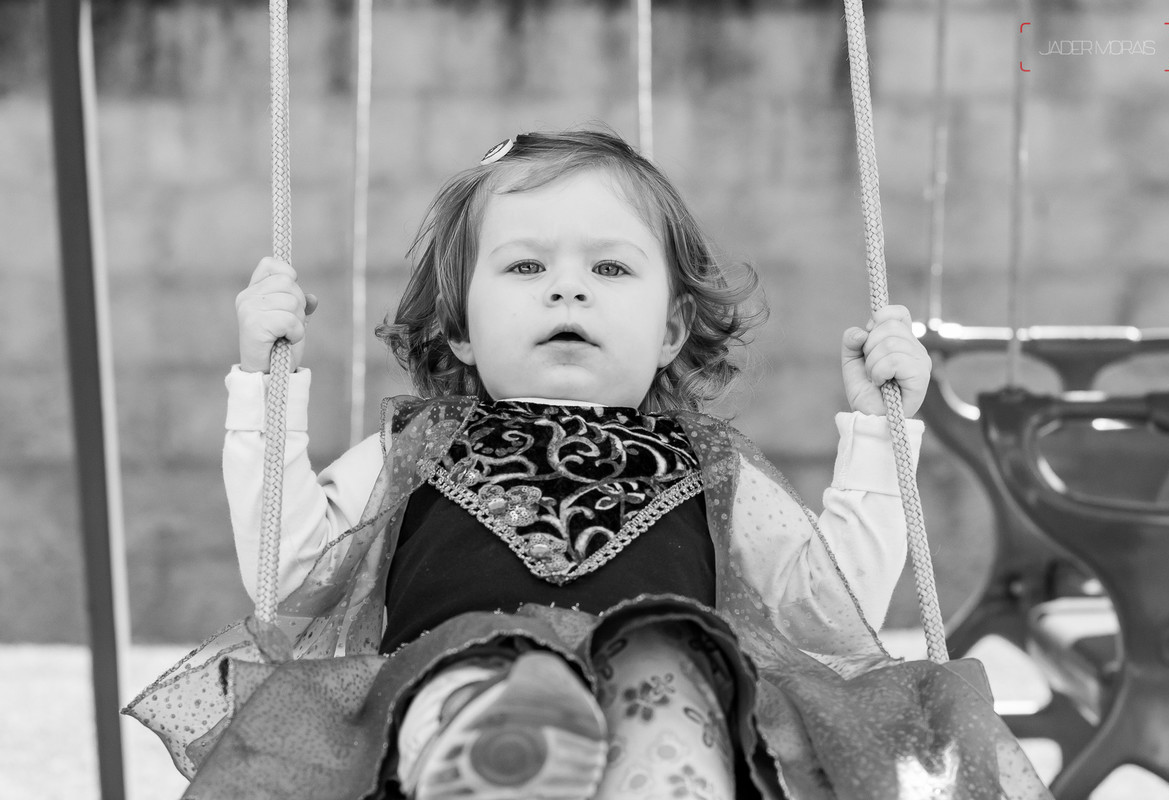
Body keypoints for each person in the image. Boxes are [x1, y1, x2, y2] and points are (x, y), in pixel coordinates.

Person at [125, 130, 1051, 800]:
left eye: (610, 270)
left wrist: (879, 433)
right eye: (526, 268)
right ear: (460, 326)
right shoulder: (414, 449)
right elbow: (292, 569)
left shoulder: (712, 468)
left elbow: (830, 604)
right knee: (486, 679)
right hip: (452, 689)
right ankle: (501, 761)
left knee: (670, 669)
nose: (568, 287)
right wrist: (264, 387)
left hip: (665, 699)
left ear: (670, 330)